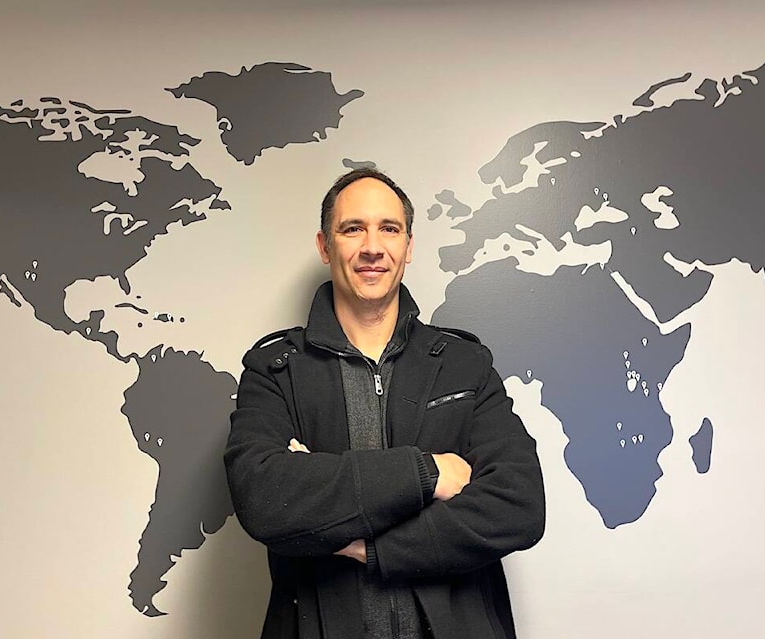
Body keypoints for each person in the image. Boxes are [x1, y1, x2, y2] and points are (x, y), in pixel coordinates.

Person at [224, 168, 545, 638]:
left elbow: (519, 506)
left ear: (408, 246)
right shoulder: (275, 370)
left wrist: (368, 547)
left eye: (389, 229)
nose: (372, 247)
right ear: (324, 246)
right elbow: (265, 500)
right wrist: (429, 474)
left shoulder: (464, 365)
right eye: (353, 228)